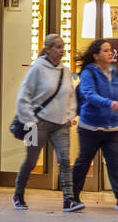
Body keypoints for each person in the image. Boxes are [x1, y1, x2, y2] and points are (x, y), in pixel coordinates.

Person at [12, 34, 81, 212]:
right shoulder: (37, 68)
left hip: (60, 124)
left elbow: (71, 95)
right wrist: (29, 119)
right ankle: (18, 195)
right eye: (58, 47)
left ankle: (69, 199)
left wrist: (69, 115)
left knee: (65, 160)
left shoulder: (65, 71)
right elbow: (24, 94)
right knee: (31, 160)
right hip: (36, 123)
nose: (62, 50)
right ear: (48, 49)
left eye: (63, 46)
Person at [71, 39, 118, 211]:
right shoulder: (88, 73)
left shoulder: (114, 72)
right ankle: (72, 197)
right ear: (96, 55)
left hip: (113, 127)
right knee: (83, 162)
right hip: (90, 127)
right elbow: (88, 94)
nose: (110, 53)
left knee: (115, 162)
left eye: (110, 50)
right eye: (105, 50)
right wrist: (108, 103)